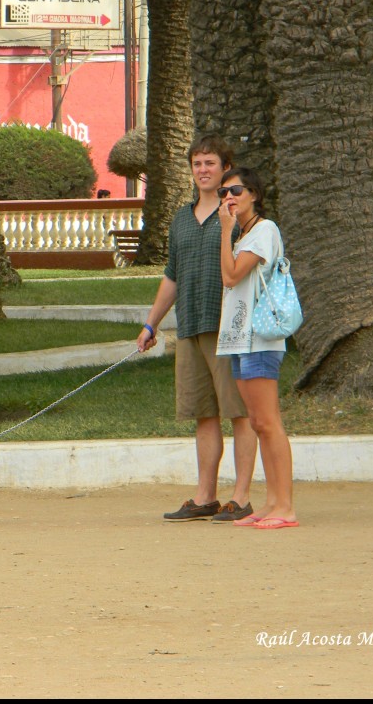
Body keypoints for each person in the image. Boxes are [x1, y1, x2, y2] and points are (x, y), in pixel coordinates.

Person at [136, 135, 257, 523]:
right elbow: (172, 276)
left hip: (231, 329)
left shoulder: (239, 214)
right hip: (190, 326)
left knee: (239, 413)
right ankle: (205, 496)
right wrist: (151, 323)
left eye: (210, 163)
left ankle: (240, 496)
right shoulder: (180, 219)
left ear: (225, 168)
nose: (202, 170)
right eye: (197, 163)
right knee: (203, 414)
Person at [215, 167, 298, 529]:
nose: (228, 198)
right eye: (224, 193)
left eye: (235, 191)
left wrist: (223, 231)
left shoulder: (264, 231)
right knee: (258, 423)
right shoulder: (245, 234)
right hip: (240, 339)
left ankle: (286, 507)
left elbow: (231, 275)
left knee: (268, 421)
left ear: (254, 194)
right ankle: (272, 502)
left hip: (260, 339)